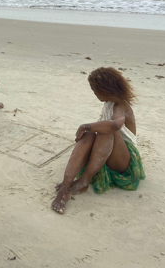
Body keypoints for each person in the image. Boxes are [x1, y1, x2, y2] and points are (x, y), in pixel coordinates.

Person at [51, 67, 145, 214]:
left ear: (106, 89)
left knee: (107, 131)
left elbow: (115, 125)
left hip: (123, 158)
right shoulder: (109, 102)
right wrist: (87, 130)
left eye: (95, 90)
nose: (94, 93)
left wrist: (85, 126)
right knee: (88, 135)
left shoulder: (121, 105)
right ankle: (65, 187)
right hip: (106, 151)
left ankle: (84, 180)